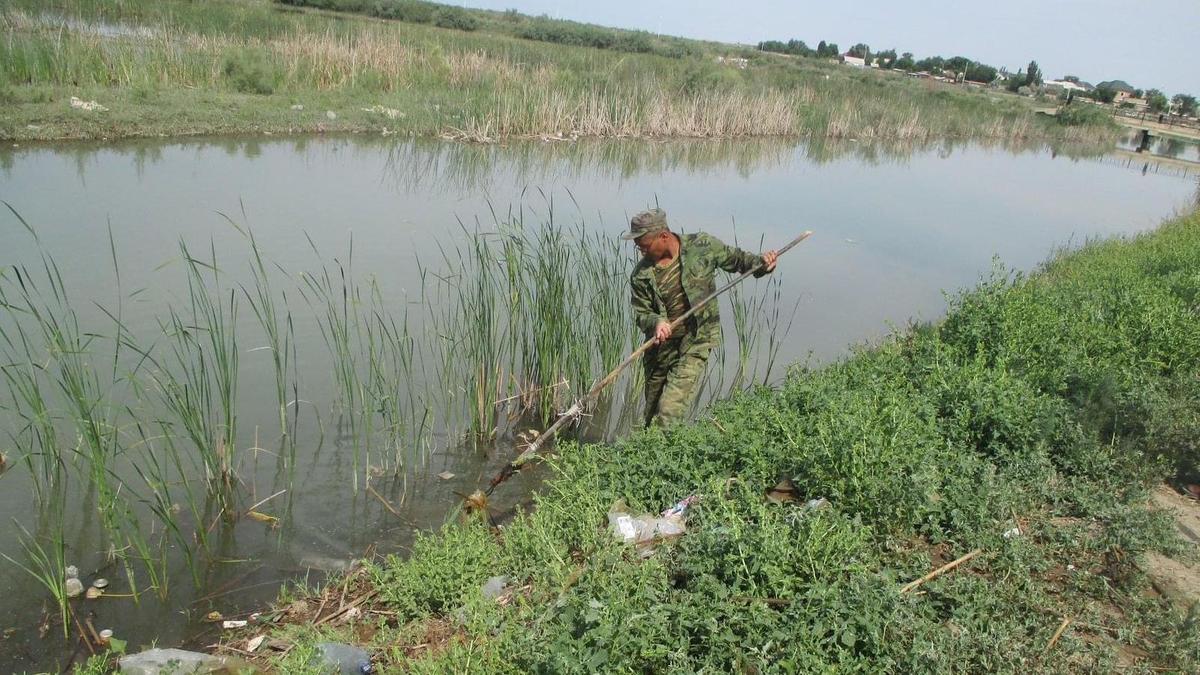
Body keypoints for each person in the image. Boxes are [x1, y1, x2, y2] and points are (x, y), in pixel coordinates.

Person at [623, 208, 778, 427]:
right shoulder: (640, 275)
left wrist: (763, 264)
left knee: (669, 410)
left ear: (663, 236)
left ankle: (665, 457)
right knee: (650, 415)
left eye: (644, 244)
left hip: (696, 341)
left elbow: (740, 261)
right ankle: (648, 456)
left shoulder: (702, 246)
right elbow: (642, 313)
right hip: (660, 350)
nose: (640, 250)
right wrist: (657, 322)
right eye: (637, 245)